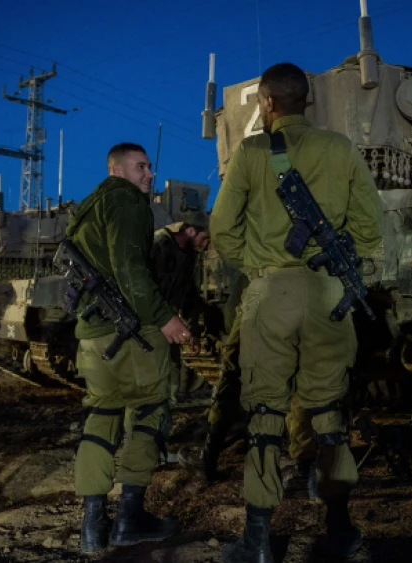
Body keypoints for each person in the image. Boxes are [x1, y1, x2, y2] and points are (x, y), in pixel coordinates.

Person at [210, 62, 384, 562]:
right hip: (330, 294)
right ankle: (340, 532)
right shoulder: (341, 148)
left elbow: (222, 230)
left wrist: (260, 266)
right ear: (307, 100)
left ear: (266, 102)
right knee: (329, 415)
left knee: (265, 415)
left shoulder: (252, 152)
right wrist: (339, 262)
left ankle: (258, 542)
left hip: (270, 295)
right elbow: (371, 228)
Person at [66, 143, 192, 554]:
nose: (149, 174)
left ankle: (92, 526)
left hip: (93, 334)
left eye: (149, 166)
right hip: (130, 329)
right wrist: (165, 318)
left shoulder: (89, 206)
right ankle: (129, 519)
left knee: (102, 415)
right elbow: (130, 268)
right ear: (117, 170)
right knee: (149, 412)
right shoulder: (127, 201)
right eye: (140, 166)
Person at [200, 269, 317, 490]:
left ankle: (210, 456)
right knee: (297, 389)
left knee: (233, 384)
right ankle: (305, 468)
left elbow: (232, 320)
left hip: (251, 331)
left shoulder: (251, 274)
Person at [149, 213, 211, 403]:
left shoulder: (189, 255)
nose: (205, 245)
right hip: (149, 323)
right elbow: (144, 289)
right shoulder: (158, 245)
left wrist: (193, 331)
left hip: (167, 323)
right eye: (204, 238)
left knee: (171, 372)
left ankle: (166, 407)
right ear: (191, 231)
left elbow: (189, 295)